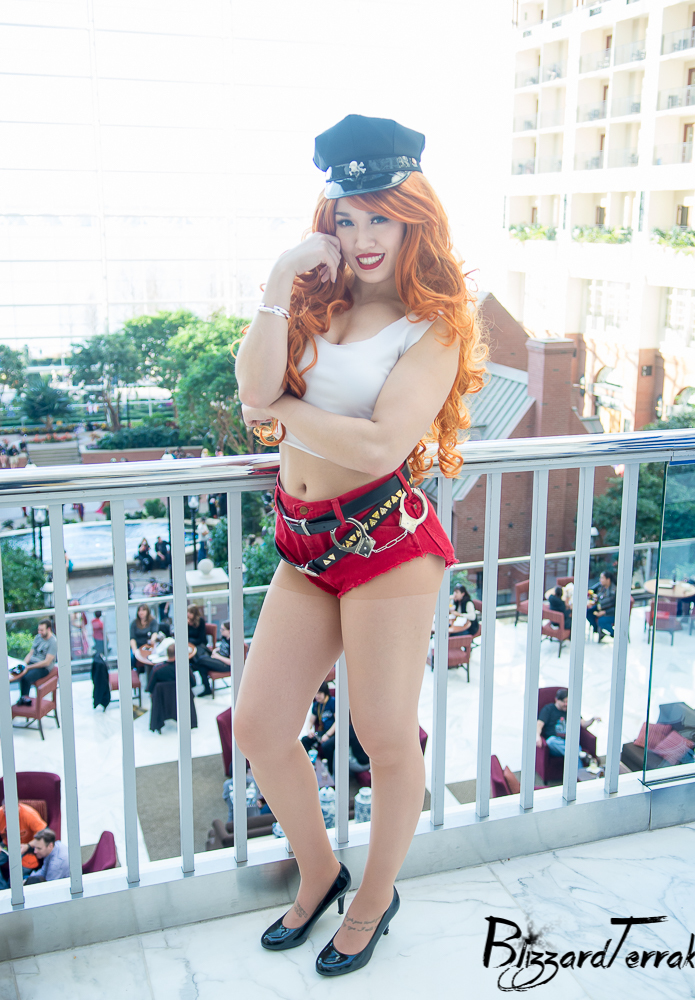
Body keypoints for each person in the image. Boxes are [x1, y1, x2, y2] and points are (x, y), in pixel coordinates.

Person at [232, 114, 486, 974]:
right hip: (304, 542)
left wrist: (282, 412)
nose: (364, 236)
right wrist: (280, 278)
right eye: (348, 217)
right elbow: (251, 380)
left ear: (414, 217)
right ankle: (321, 872)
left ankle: (374, 900)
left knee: (383, 734)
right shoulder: (314, 296)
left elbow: (380, 448)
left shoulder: (435, 322)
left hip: (386, 543)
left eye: (382, 216)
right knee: (261, 726)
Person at [536, 688, 601, 761]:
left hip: (569, 743)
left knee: (573, 749)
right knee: (551, 741)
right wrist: (537, 736)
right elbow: (539, 724)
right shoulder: (548, 709)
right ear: (556, 700)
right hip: (555, 744)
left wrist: (593, 719)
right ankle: (580, 754)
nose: (566, 704)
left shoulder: (571, 710)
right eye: (564, 702)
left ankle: (579, 757)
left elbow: (583, 724)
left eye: (567, 702)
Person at [0, 799, 46, 888]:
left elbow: (43, 834)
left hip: (27, 846)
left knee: (24, 867)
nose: (9, 815)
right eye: (6, 812)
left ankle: (17, 887)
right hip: (6, 846)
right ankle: (3, 889)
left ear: (19, 807)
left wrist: (28, 846)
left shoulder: (29, 814)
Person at [13, 619, 57, 706]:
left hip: (43, 667)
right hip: (32, 663)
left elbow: (47, 662)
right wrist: (24, 664)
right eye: (39, 630)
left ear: (48, 629)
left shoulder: (53, 642)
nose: (39, 632)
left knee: (26, 678)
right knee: (17, 672)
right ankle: (24, 698)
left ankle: (24, 698)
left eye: (42, 630)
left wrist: (28, 667)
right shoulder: (38, 637)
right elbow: (31, 653)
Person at [301, 682, 337, 774]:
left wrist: (327, 735)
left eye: (319, 693)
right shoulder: (316, 705)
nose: (317, 696)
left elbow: (337, 722)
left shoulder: (333, 702)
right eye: (316, 693)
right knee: (305, 740)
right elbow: (310, 721)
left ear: (325, 693)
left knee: (326, 746)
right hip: (321, 732)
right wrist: (309, 731)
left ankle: (330, 770)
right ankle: (311, 766)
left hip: (333, 733)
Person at [193, 619, 231, 696]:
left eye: (223, 629)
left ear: (229, 631)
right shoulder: (224, 638)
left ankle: (193, 669)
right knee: (202, 666)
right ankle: (207, 689)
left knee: (201, 659)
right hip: (219, 658)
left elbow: (231, 662)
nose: (220, 631)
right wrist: (216, 650)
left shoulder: (233, 642)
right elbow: (223, 648)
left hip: (226, 665)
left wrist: (217, 656)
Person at [586, 570, 617, 640]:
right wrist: (594, 599)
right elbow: (592, 591)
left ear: (608, 580)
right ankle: (598, 630)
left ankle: (615, 634)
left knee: (601, 621)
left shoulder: (614, 591)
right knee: (588, 612)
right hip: (600, 607)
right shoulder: (601, 586)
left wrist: (604, 612)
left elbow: (615, 608)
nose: (600, 580)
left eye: (602, 578)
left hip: (610, 612)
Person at [129, 604, 158, 676]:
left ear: (147, 611)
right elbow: (132, 638)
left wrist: (152, 639)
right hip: (138, 645)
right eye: (139, 610)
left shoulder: (153, 621)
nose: (141, 612)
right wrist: (135, 650)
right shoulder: (134, 623)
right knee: (131, 657)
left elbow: (155, 633)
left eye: (143, 610)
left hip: (148, 646)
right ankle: (134, 673)